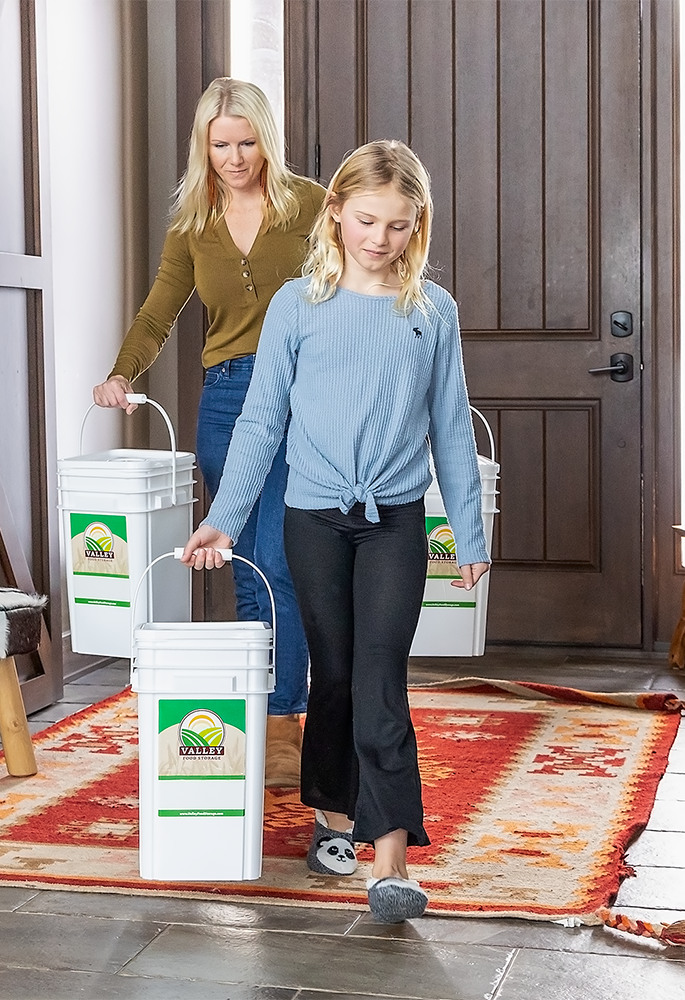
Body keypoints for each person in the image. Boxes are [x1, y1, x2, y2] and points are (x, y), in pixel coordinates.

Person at [179, 140, 490, 922]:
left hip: (395, 527)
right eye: (366, 221)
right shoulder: (297, 305)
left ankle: (392, 862)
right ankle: (329, 810)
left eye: (397, 226)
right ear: (336, 215)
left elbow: (452, 430)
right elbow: (259, 426)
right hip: (311, 520)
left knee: (382, 683)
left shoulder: (432, 312)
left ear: (418, 226)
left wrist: (472, 537)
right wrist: (223, 518)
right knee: (337, 675)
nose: (380, 241)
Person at [92, 78, 324, 787]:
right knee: (245, 559)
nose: (234, 156)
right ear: (204, 146)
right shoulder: (194, 225)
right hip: (226, 399)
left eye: (247, 141)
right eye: (220, 144)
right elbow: (159, 311)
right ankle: (265, 716)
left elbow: (355, 283)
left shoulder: (313, 205)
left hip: (299, 394)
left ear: (267, 138)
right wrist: (121, 374)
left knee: (282, 559)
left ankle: (289, 722)